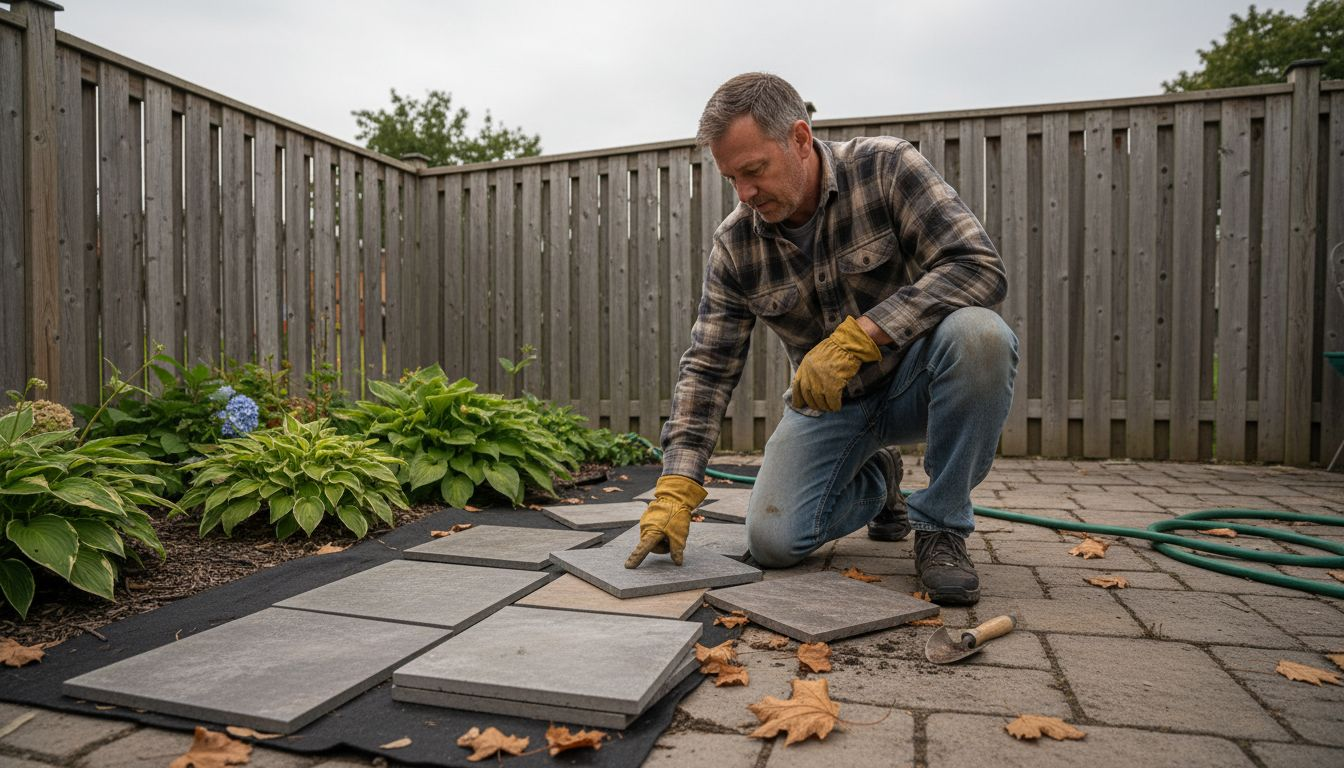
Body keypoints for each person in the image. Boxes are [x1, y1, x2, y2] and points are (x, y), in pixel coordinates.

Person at [624, 73, 1017, 606]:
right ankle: (879, 481)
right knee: (773, 542)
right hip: (831, 405)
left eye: (754, 171)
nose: (744, 194)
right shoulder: (736, 244)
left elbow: (978, 267)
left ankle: (942, 526)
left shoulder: (886, 168)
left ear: (800, 139)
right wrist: (676, 484)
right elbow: (708, 367)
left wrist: (865, 334)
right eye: (731, 178)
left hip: (918, 385)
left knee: (981, 336)